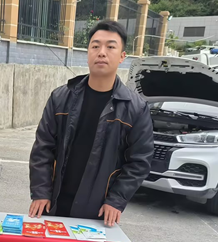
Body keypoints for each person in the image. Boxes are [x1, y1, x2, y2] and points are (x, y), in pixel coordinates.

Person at [29, 21, 153, 226]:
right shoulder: (61, 98)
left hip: (98, 212)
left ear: (122, 56)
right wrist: (41, 192)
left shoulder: (135, 108)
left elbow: (139, 161)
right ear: (88, 52)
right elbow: (43, 148)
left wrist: (116, 200)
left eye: (110, 47)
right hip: (53, 205)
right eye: (95, 46)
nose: (101, 52)